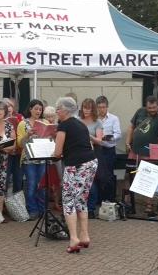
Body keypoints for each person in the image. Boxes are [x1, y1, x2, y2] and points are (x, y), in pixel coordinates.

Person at [53, 97, 98, 254]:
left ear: (65, 110)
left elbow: (57, 153)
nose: (57, 111)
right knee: (81, 198)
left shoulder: (63, 125)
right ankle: (84, 235)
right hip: (91, 162)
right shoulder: (81, 124)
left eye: (58, 108)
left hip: (75, 165)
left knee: (68, 200)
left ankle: (74, 238)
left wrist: (53, 152)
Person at [125, 95, 158, 216]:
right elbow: (131, 127)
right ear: (146, 106)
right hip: (134, 151)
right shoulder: (140, 112)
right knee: (129, 176)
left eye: (154, 107)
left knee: (148, 178)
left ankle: (149, 206)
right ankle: (128, 202)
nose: (152, 110)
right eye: (149, 108)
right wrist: (127, 141)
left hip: (150, 153)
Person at [16, 99, 46, 220]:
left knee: (42, 185)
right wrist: (27, 134)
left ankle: (43, 209)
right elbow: (20, 144)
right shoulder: (23, 124)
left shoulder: (45, 122)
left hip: (43, 158)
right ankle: (32, 209)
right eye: (36, 109)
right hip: (28, 159)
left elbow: (50, 139)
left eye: (40, 109)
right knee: (32, 184)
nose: (38, 111)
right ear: (30, 109)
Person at [79, 98, 103, 219]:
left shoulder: (97, 122)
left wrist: (89, 136)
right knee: (80, 182)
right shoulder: (78, 120)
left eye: (88, 108)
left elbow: (100, 140)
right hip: (79, 153)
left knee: (91, 182)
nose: (86, 110)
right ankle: (81, 208)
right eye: (84, 108)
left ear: (93, 109)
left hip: (93, 153)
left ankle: (91, 208)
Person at [96, 96, 121, 203]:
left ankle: (110, 198)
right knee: (97, 174)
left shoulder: (114, 118)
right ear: (96, 107)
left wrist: (109, 137)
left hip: (108, 149)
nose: (101, 109)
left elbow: (118, 134)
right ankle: (98, 199)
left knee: (108, 174)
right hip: (97, 149)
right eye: (99, 107)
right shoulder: (94, 118)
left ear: (107, 107)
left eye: (103, 107)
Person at [43, 106, 62, 212]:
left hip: (56, 155)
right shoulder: (41, 125)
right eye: (47, 116)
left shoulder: (59, 126)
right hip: (45, 154)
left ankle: (56, 202)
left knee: (58, 179)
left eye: (52, 116)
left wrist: (55, 134)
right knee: (45, 180)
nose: (50, 119)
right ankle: (45, 204)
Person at [3, 98, 23, 194]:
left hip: (18, 152)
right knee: (5, 178)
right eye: (6, 106)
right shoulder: (0, 118)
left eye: (10, 106)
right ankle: (3, 203)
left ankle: (17, 204)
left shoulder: (19, 117)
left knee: (18, 178)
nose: (9, 108)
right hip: (6, 152)